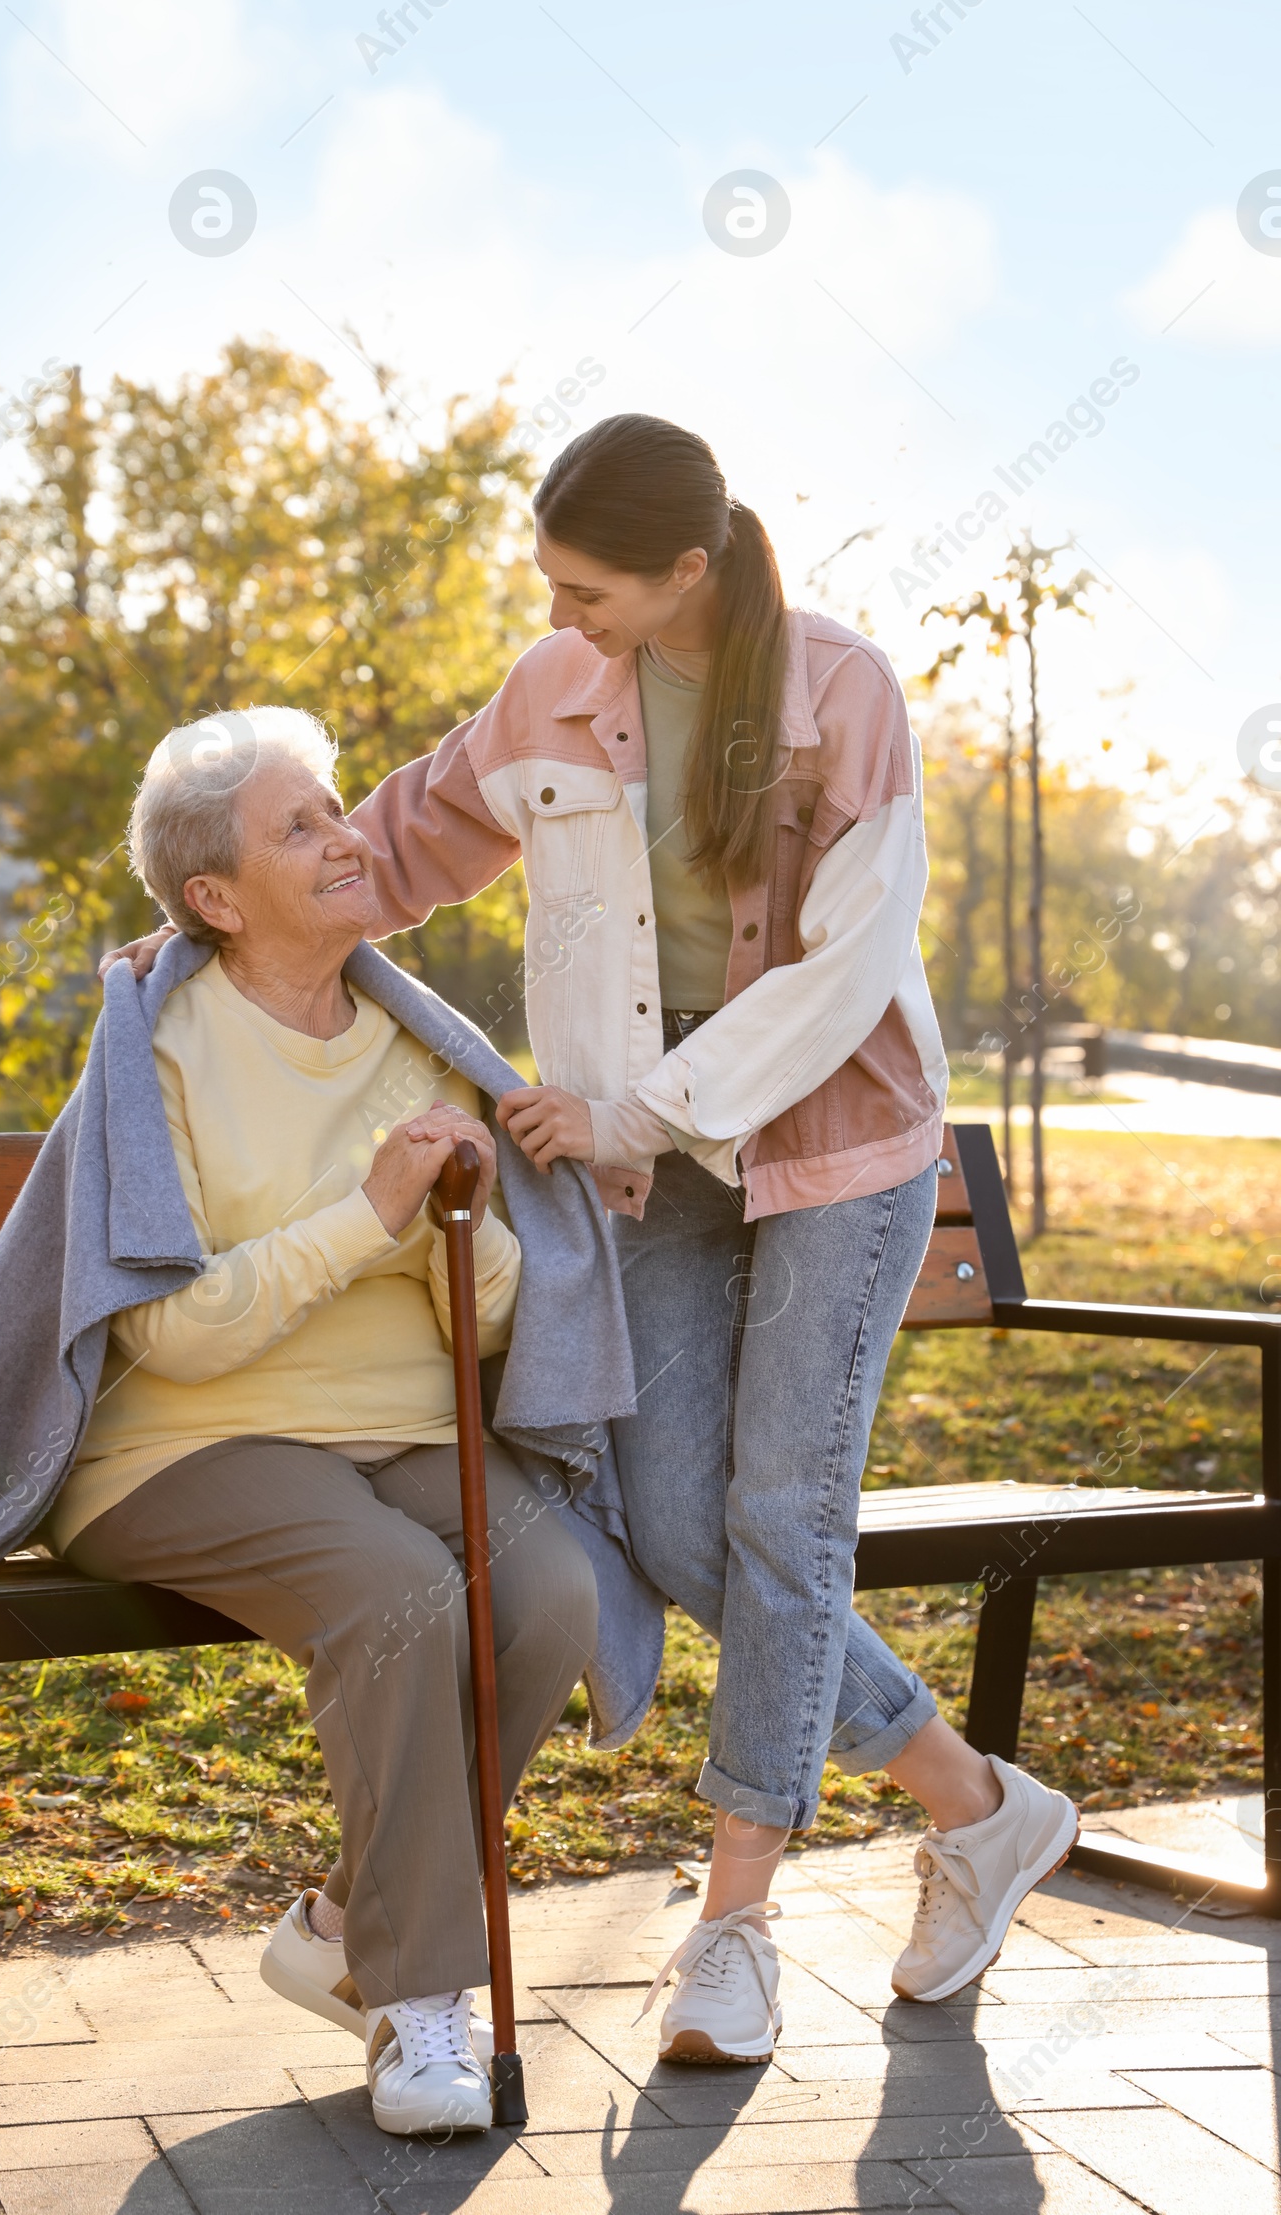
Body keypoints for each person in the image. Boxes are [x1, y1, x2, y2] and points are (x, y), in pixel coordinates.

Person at [105, 414, 1077, 2066]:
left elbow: (844, 976)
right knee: (675, 1521)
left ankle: (736, 1928)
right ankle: (977, 1805)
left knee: (782, 1511)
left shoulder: (840, 692)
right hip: (655, 1164)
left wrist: (639, 1110)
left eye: (590, 590)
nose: (565, 621)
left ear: (687, 569)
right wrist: (196, 942)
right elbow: (398, 840)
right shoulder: (551, 693)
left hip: (834, 1147)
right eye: (550, 587)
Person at [67, 706, 599, 2133]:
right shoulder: (159, 1048)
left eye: (336, 810)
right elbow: (166, 1331)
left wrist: (464, 1212)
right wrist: (365, 1213)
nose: (347, 835)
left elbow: (486, 1316)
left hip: (398, 1430)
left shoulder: (417, 1041)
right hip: (187, 1444)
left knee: (551, 1590)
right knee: (403, 1596)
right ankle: (418, 2005)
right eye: (297, 827)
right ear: (214, 899)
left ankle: (351, 1926)